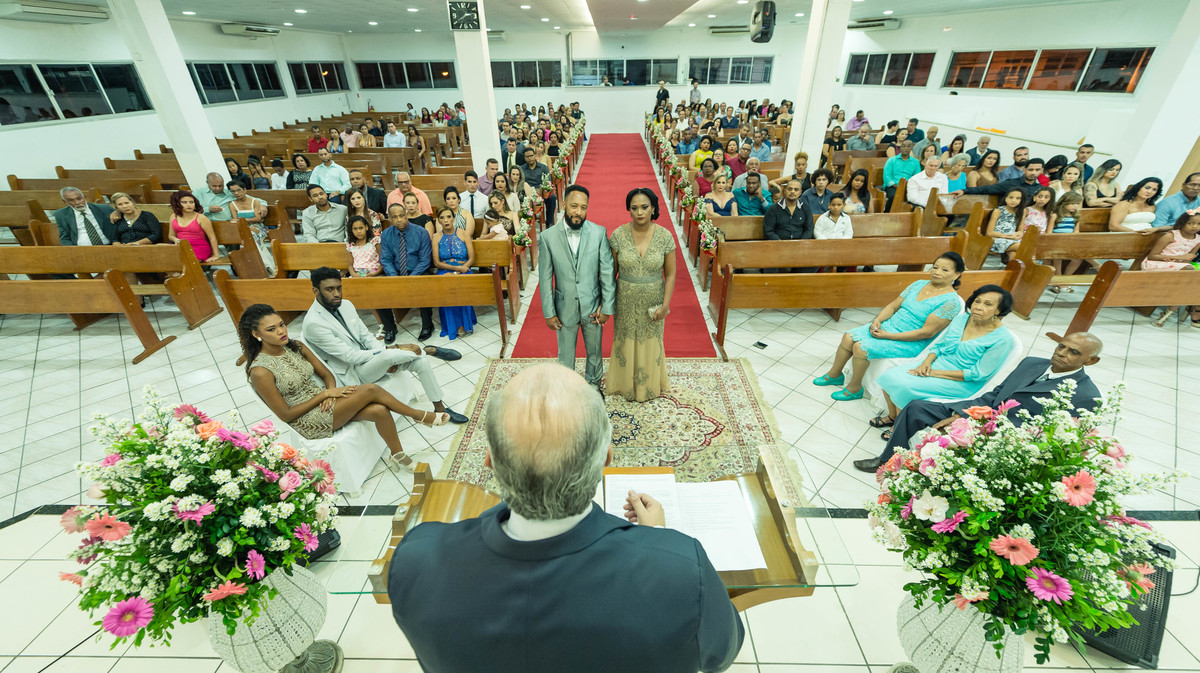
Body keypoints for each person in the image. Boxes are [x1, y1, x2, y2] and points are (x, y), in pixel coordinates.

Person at [387, 362, 743, 672]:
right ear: (606, 458)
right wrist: (657, 543)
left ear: (490, 463)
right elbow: (721, 654)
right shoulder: (680, 572)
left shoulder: (416, 561)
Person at [855, 333, 1104, 471]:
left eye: (1074, 352)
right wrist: (963, 412)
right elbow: (997, 393)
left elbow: (1058, 439)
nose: (1061, 353)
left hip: (1007, 438)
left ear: (1091, 361)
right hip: (980, 413)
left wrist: (975, 423)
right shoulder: (1033, 364)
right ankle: (888, 462)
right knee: (916, 407)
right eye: (1062, 346)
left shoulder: (1086, 395)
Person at [241, 304, 445, 473]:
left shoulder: (296, 345)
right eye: (271, 329)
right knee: (370, 390)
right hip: (307, 420)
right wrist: (325, 394)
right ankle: (418, 415)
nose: (281, 331)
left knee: (380, 410)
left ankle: (399, 456)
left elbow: (326, 374)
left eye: (282, 324)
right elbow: (285, 415)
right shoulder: (260, 371)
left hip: (326, 404)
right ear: (255, 334)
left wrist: (329, 392)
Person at [299, 267, 466, 429]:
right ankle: (427, 350)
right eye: (329, 289)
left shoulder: (346, 305)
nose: (336, 294)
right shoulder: (314, 323)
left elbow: (365, 336)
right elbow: (349, 356)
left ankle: (440, 408)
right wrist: (392, 351)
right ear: (316, 291)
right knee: (389, 356)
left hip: (370, 361)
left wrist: (385, 357)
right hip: (354, 373)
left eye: (338, 288)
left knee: (420, 363)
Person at [814, 253, 965, 401]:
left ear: (956, 274)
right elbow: (893, 306)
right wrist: (877, 320)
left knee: (861, 347)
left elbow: (926, 333)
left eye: (945, 270)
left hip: (911, 340)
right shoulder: (918, 284)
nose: (937, 272)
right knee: (848, 337)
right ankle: (835, 375)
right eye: (935, 267)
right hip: (889, 326)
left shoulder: (950, 302)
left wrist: (888, 335)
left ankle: (855, 388)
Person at [872, 286, 1016, 436]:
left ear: (999, 311)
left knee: (905, 387)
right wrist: (926, 363)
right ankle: (893, 416)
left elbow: (979, 374)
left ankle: (899, 429)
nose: (979, 307)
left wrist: (933, 373)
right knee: (890, 376)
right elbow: (940, 346)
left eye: (988, 304)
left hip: (962, 381)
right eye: (977, 301)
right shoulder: (962, 319)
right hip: (935, 365)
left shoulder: (1002, 339)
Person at [539, 185, 615, 396]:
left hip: (592, 306)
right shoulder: (548, 237)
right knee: (565, 354)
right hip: (564, 308)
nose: (578, 212)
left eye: (583, 207)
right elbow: (545, 278)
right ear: (564, 204)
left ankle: (593, 387)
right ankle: (566, 390)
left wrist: (607, 307)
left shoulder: (599, 233)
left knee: (594, 351)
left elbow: (607, 273)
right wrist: (549, 311)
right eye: (574, 206)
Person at [606, 188, 677, 402]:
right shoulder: (618, 235)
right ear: (628, 209)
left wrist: (665, 306)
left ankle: (649, 386)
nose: (639, 212)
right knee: (625, 340)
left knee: (650, 341)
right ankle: (624, 385)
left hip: (653, 300)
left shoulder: (665, 236)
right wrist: (606, 303)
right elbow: (611, 273)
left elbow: (671, 274)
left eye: (644, 207)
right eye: (634, 208)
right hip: (625, 299)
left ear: (653, 208)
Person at [380, 203, 437, 341]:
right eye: (395, 217)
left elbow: (425, 260)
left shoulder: (421, 232)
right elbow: (386, 259)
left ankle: (427, 326)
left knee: (424, 283)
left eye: (401, 216)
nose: (399, 220)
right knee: (378, 287)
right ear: (390, 219)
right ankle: (390, 328)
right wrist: (395, 277)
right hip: (396, 272)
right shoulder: (386, 234)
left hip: (417, 271)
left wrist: (411, 277)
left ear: (406, 215)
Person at [1144, 211, 1200, 327]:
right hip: (1156, 264)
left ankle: (1168, 312)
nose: (1195, 226)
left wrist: (1183, 260)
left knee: (1187, 284)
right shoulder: (1171, 235)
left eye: (1199, 224)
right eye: (1191, 223)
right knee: (1191, 274)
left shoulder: (1198, 239)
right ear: (1182, 223)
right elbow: (1152, 256)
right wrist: (1178, 257)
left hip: (1179, 268)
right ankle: (1171, 312)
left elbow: (1187, 260)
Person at [430, 206, 478, 339]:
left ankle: (464, 324)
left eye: (448, 217)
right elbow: (437, 263)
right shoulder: (436, 237)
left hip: (464, 270)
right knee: (448, 287)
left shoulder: (463, 234)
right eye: (442, 218)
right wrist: (457, 269)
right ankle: (455, 325)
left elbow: (471, 259)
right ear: (438, 220)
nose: (446, 220)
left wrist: (463, 269)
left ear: (454, 218)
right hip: (445, 270)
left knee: (460, 286)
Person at [168, 190, 220, 263]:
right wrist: (176, 240)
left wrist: (216, 255)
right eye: (184, 202)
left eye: (191, 202)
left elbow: (212, 237)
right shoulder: (173, 217)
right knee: (163, 256)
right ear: (177, 204)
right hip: (181, 246)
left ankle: (178, 274)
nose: (189, 205)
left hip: (199, 248)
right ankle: (176, 274)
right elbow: (171, 235)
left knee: (183, 260)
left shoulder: (201, 218)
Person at [958, 157, 1044, 200]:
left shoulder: (1040, 188)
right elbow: (988, 188)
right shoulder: (1011, 183)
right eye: (1030, 169)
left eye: (1037, 170)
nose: (1033, 173)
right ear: (1024, 170)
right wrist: (965, 191)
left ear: (1041, 171)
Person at [764, 179, 814, 243]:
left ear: (800, 193)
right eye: (790, 189)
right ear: (785, 191)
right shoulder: (774, 208)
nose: (792, 192)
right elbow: (768, 231)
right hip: (779, 244)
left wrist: (802, 242)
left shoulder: (806, 208)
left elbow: (808, 230)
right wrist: (779, 242)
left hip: (800, 244)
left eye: (796, 189)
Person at [986, 188, 1028, 262]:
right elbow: (989, 233)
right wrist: (1007, 236)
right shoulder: (998, 211)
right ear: (1006, 198)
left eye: (1018, 198)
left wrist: (1017, 235)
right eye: (1011, 197)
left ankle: (1014, 272)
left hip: (1011, 240)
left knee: (1013, 255)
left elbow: (1020, 231)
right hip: (996, 240)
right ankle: (1029, 270)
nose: (1014, 200)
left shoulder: (1021, 212)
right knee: (1024, 247)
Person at [521, 146, 556, 224]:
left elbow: (548, 182)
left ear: (534, 155)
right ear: (525, 158)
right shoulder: (522, 169)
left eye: (531, 155)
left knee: (552, 198)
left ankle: (549, 222)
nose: (530, 158)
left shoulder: (543, 167)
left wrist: (541, 190)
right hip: (528, 192)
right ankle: (528, 223)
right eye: (527, 156)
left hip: (541, 191)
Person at [882, 140, 920, 211]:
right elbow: (887, 177)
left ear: (911, 148)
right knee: (894, 196)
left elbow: (917, 177)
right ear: (900, 148)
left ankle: (909, 216)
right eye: (903, 146)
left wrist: (907, 186)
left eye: (908, 146)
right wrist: (898, 187)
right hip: (893, 186)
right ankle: (887, 214)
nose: (905, 148)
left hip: (909, 186)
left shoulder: (915, 162)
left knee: (914, 198)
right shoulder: (892, 160)